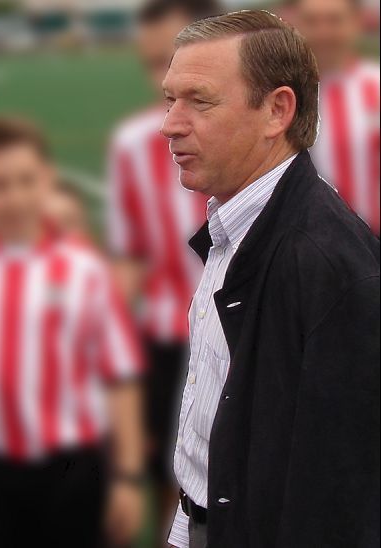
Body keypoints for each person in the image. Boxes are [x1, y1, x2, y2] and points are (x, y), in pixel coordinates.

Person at [160, 10, 379, 547]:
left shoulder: (325, 266)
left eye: (200, 101)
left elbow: (338, 498)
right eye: (171, 99)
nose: (170, 122)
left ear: (277, 110)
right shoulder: (238, 225)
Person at [0, 116, 146, 548]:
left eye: (26, 180)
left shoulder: (85, 270)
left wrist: (128, 477)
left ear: (48, 180)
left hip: (72, 468)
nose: (15, 196)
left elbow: (119, 377)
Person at [105, 0, 221, 534]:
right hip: (164, 341)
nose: (163, 79)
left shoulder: (264, 140)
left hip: (241, 334)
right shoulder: (132, 144)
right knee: (167, 484)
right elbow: (127, 258)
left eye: (173, 60)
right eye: (154, 64)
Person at [289, 0, 380, 234]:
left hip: (371, 250)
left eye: (334, 20)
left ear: (356, 23)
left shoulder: (376, 87)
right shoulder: (275, 96)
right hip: (297, 252)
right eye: (311, 21)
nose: (323, 33)